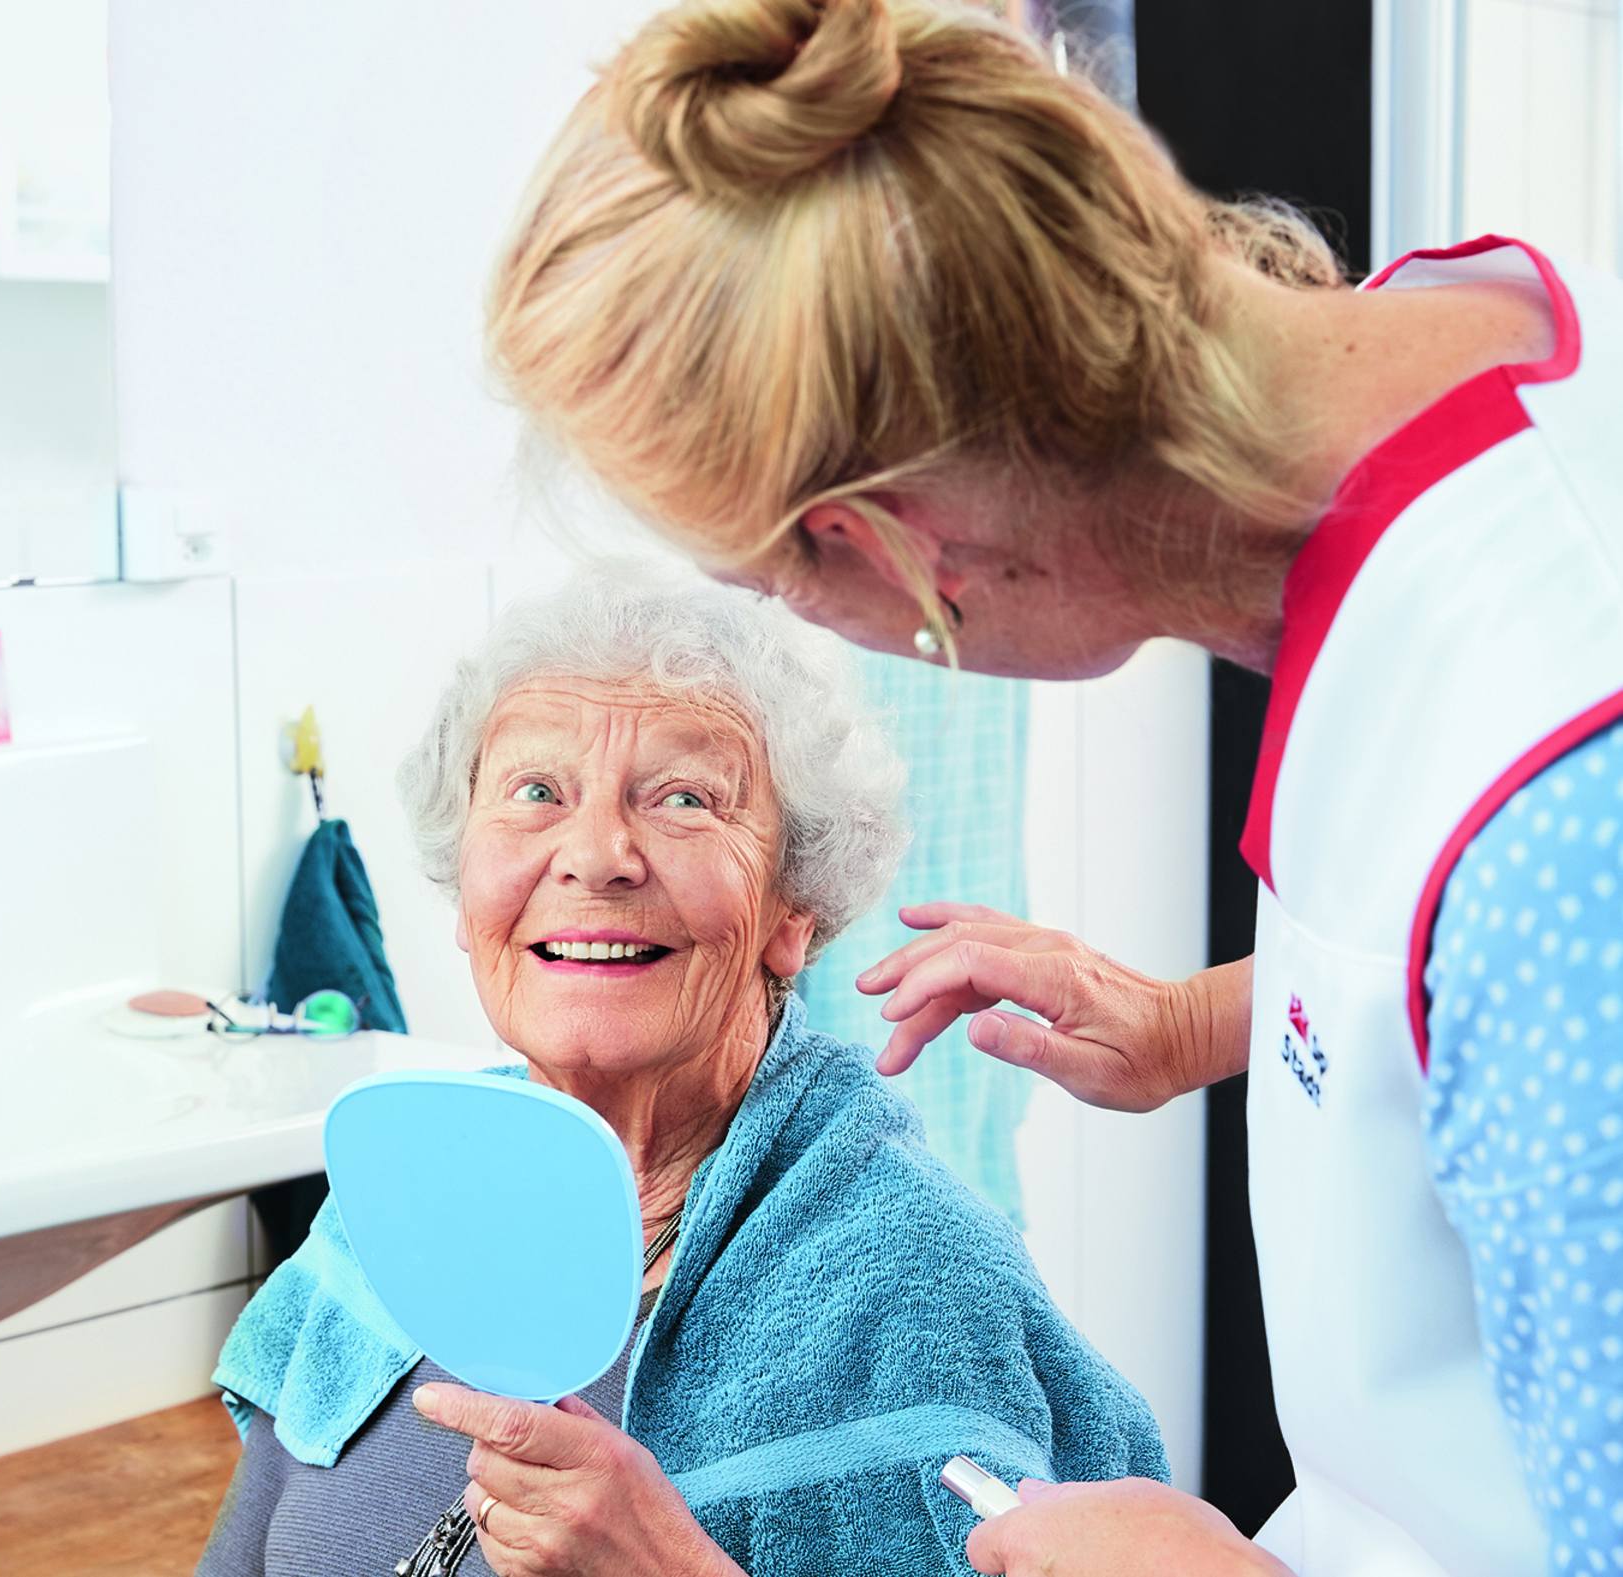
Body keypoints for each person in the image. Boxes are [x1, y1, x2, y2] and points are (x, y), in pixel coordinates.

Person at [482, 0, 1623, 1574]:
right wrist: (1211, 1018)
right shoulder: (1454, 349)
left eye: (785, 592)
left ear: (900, 553)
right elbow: (1476, 999)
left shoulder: (1561, 796)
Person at [195, 566, 1168, 1577]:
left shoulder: (913, 1290)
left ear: (796, 910)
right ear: (466, 883)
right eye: (537, 791)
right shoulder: (403, 1199)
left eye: (683, 798)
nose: (597, 853)